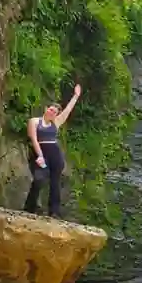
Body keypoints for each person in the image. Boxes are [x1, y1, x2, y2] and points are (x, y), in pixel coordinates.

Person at [24, 85, 81, 218]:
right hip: (39, 152)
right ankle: (30, 206)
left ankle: (54, 211)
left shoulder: (56, 123)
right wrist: (40, 156)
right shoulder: (34, 121)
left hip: (54, 154)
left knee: (55, 182)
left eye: (54, 112)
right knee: (39, 179)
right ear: (46, 109)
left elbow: (67, 110)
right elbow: (34, 139)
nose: (52, 113)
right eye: (50, 109)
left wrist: (76, 96)